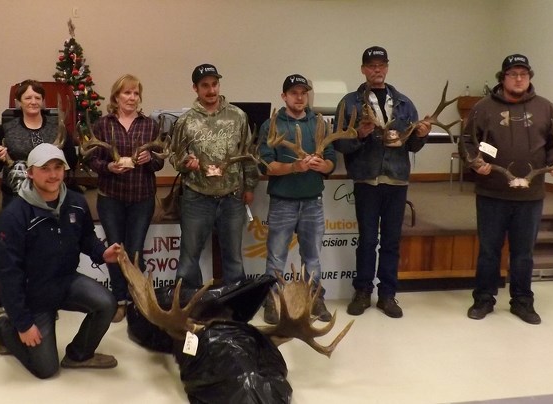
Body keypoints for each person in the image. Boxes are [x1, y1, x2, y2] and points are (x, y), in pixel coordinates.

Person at [0, 143, 122, 379]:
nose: (53, 175)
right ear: (30, 172)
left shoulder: (76, 201)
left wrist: (102, 253)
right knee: (47, 369)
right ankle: (3, 328)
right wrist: (23, 324)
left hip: (66, 281)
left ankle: (79, 354)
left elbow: (86, 237)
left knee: (106, 303)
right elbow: (6, 274)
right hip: (34, 295)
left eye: (58, 167)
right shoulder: (14, 215)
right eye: (45, 169)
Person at [463, 54, 553, 325]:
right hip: (492, 192)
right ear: (503, 77)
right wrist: (476, 161)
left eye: (523, 73)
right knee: (489, 250)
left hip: (530, 195)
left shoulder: (547, 109)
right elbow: (468, 141)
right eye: (512, 74)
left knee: (523, 253)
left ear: (529, 76)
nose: (518, 78)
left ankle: (522, 301)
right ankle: (483, 299)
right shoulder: (483, 108)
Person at [333, 46, 431, 318]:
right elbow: (340, 144)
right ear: (363, 69)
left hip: (396, 180)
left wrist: (421, 134)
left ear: (387, 67)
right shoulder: (349, 103)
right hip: (366, 179)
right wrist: (360, 135)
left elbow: (412, 146)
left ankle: (388, 295)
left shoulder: (404, 103)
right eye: (371, 66)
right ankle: (362, 292)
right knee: (366, 240)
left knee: (391, 241)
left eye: (381, 65)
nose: (377, 70)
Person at [169, 64, 260, 289]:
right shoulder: (185, 121)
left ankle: (235, 307)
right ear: (195, 88)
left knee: (234, 258)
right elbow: (174, 155)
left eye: (214, 84)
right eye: (205, 86)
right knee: (189, 258)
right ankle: (190, 307)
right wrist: (185, 164)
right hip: (196, 198)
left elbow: (249, 153)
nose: (211, 90)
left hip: (232, 197)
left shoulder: (238, 116)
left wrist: (249, 187)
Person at [257, 74, 335, 324]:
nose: (299, 97)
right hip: (283, 200)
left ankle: (314, 298)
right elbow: (266, 165)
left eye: (303, 92)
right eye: (294, 93)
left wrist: (323, 165)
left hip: (313, 200)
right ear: (284, 96)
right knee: (277, 256)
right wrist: (295, 168)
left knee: (311, 255)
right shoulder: (272, 125)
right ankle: (273, 299)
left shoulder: (319, 124)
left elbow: (332, 159)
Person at [87, 74, 165, 323]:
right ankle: (119, 300)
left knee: (135, 251)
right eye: (126, 93)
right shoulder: (103, 124)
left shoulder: (150, 125)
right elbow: (91, 159)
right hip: (111, 197)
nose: (132, 98)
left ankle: (136, 300)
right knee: (115, 250)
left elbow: (160, 161)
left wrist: (149, 160)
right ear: (116, 97)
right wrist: (108, 167)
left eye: (135, 93)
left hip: (142, 198)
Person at [0, 79, 78, 208]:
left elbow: (72, 162)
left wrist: (60, 153)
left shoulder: (58, 128)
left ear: (43, 101)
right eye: (28, 98)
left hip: (50, 194)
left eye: (37, 98)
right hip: (15, 196)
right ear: (19, 102)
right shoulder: (7, 129)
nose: (33, 102)